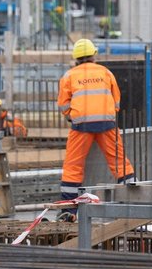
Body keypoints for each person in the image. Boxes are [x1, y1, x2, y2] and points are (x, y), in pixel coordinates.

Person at [57, 38, 135, 221]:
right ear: (93, 55)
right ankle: (132, 202)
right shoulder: (106, 72)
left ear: (76, 58)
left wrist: (73, 116)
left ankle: (69, 209)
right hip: (107, 124)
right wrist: (107, 115)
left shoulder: (69, 76)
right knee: (119, 162)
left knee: (73, 165)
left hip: (81, 126)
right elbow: (116, 100)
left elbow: (63, 105)